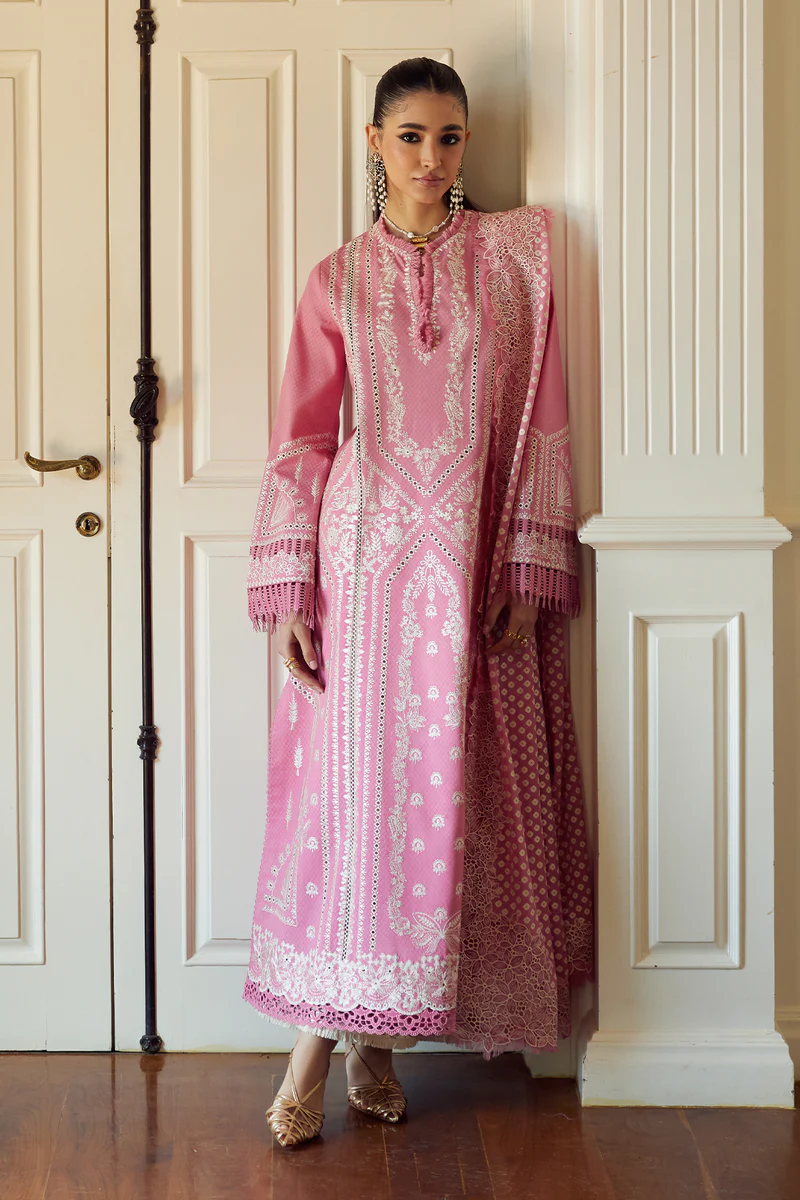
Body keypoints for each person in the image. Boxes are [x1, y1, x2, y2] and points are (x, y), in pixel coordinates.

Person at [243, 56, 594, 1148]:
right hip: (362, 573)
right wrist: (292, 586)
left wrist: (525, 562)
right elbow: (303, 439)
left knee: (441, 804)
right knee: (355, 807)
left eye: (449, 137)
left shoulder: (515, 259)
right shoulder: (337, 279)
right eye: (410, 137)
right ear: (373, 141)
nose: (432, 158)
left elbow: (541, 413)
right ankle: (315, 1056)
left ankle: (375, 1049)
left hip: (470, 567)